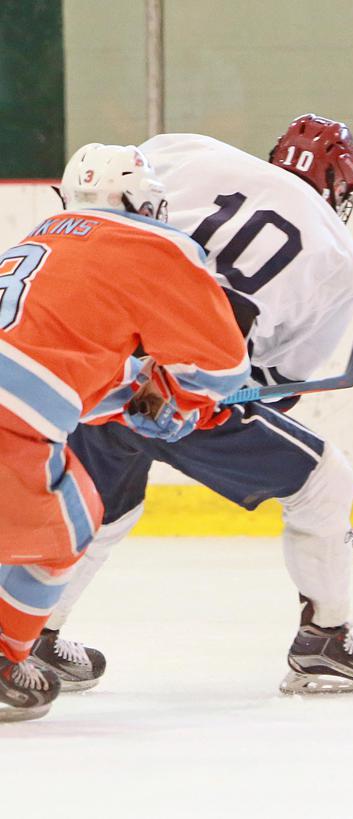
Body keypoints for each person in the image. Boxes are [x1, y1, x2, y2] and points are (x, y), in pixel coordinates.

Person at [36, 115, 353, 694]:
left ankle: (33, 636)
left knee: (103, 503)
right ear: (341, 188)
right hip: (197, 379)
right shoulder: (340, 254)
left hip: (104, 356)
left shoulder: (189, 150)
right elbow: (280, 385)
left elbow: (111, 209)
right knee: (324, 482)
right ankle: (328, 638)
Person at [0, 143, 249, 721]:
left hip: (16, 408)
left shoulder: (41, 238)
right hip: (10, 423)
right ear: (140, 200)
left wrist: (135, 399)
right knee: (71, 523)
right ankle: (8, 656)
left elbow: (56, 360)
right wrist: (184, 401)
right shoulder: (155, 244)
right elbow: (220, 366)